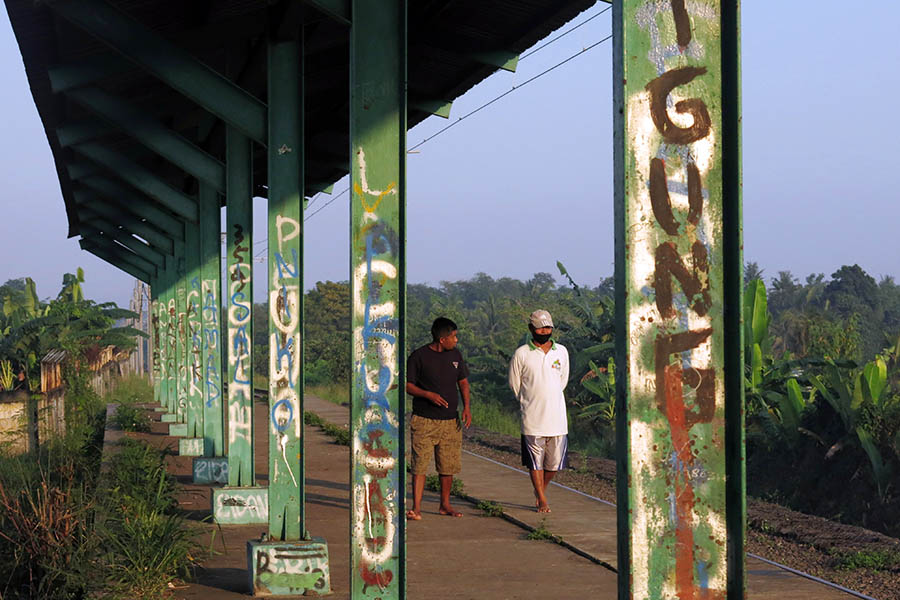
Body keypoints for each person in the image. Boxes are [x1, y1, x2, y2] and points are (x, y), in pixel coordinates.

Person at [405, 317, 472, 520]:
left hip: (450, 421)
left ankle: (445, 504)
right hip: (424, 420)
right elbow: (408, 385)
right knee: (420, 464)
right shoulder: (419, 356)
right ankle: (416, 508)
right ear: (442, 339)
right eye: (453, 336)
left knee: (447, 464)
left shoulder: (456, 356)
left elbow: (463, 383)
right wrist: (427, 395)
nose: (456, 340)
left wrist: (466, 407)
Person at [508, 309, 569, 513]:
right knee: (535, 463)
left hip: (557, 419)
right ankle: (542, 499)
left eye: (548, 327)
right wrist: (529, 401)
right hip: (532, 418)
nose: (545, 331)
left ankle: (540, 489)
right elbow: (515, 384)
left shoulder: (561, 352)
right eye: (540, 328)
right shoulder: (522, 354)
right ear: (531, 329)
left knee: (553, 465)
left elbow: (563, 380)